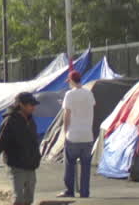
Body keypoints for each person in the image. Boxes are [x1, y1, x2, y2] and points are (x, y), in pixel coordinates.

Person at [0, 92, 41, 205]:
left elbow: (34, 142)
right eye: (30, 105)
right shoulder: (10, 121)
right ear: (21, 105)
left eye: (34, 105)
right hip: (16, 165)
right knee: (19, 199)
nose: (33, 107)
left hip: (30, 165)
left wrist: (37, 157)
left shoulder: (31, 120)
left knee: (29, 199)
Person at [59, 70, 95, 198]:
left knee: (70, 165)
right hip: (87, 135)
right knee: (85, 167)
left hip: (73, 135)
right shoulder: (89, 94)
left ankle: (69, 190)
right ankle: (85, 192)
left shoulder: (69, 95)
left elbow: (66, 115)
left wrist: (65, 131)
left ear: (71, 81)